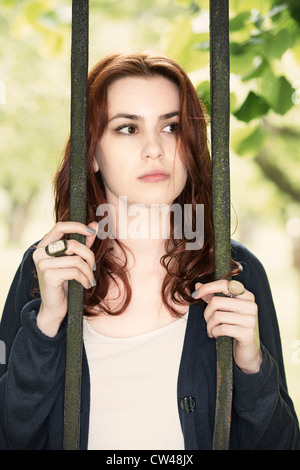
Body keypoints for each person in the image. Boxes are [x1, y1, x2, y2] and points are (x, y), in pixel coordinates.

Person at [0, 51, 299, 450]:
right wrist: (47, 324)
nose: (155, 149)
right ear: (91, 154)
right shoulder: (48, 268)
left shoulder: (234, 271)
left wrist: (251, 366)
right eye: (127, 128)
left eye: (171, 127)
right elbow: (10, 433)